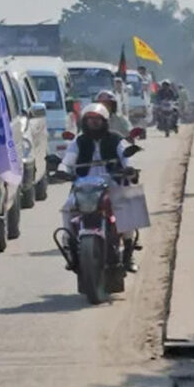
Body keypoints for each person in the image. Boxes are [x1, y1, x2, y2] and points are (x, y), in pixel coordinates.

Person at [59, 103, 138, 271]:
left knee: (129, 206)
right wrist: (62, 170)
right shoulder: (79, 141)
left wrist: (129, 168)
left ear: (105, 121)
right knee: (67, 208)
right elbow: (67, 160)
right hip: (84, 185)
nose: (93, 123)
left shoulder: (116, 139)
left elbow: (126, 155)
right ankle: (70, 245)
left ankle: (128, 253)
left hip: (112, 182)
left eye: (97, 120)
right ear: (84, 122)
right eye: (89, 120)